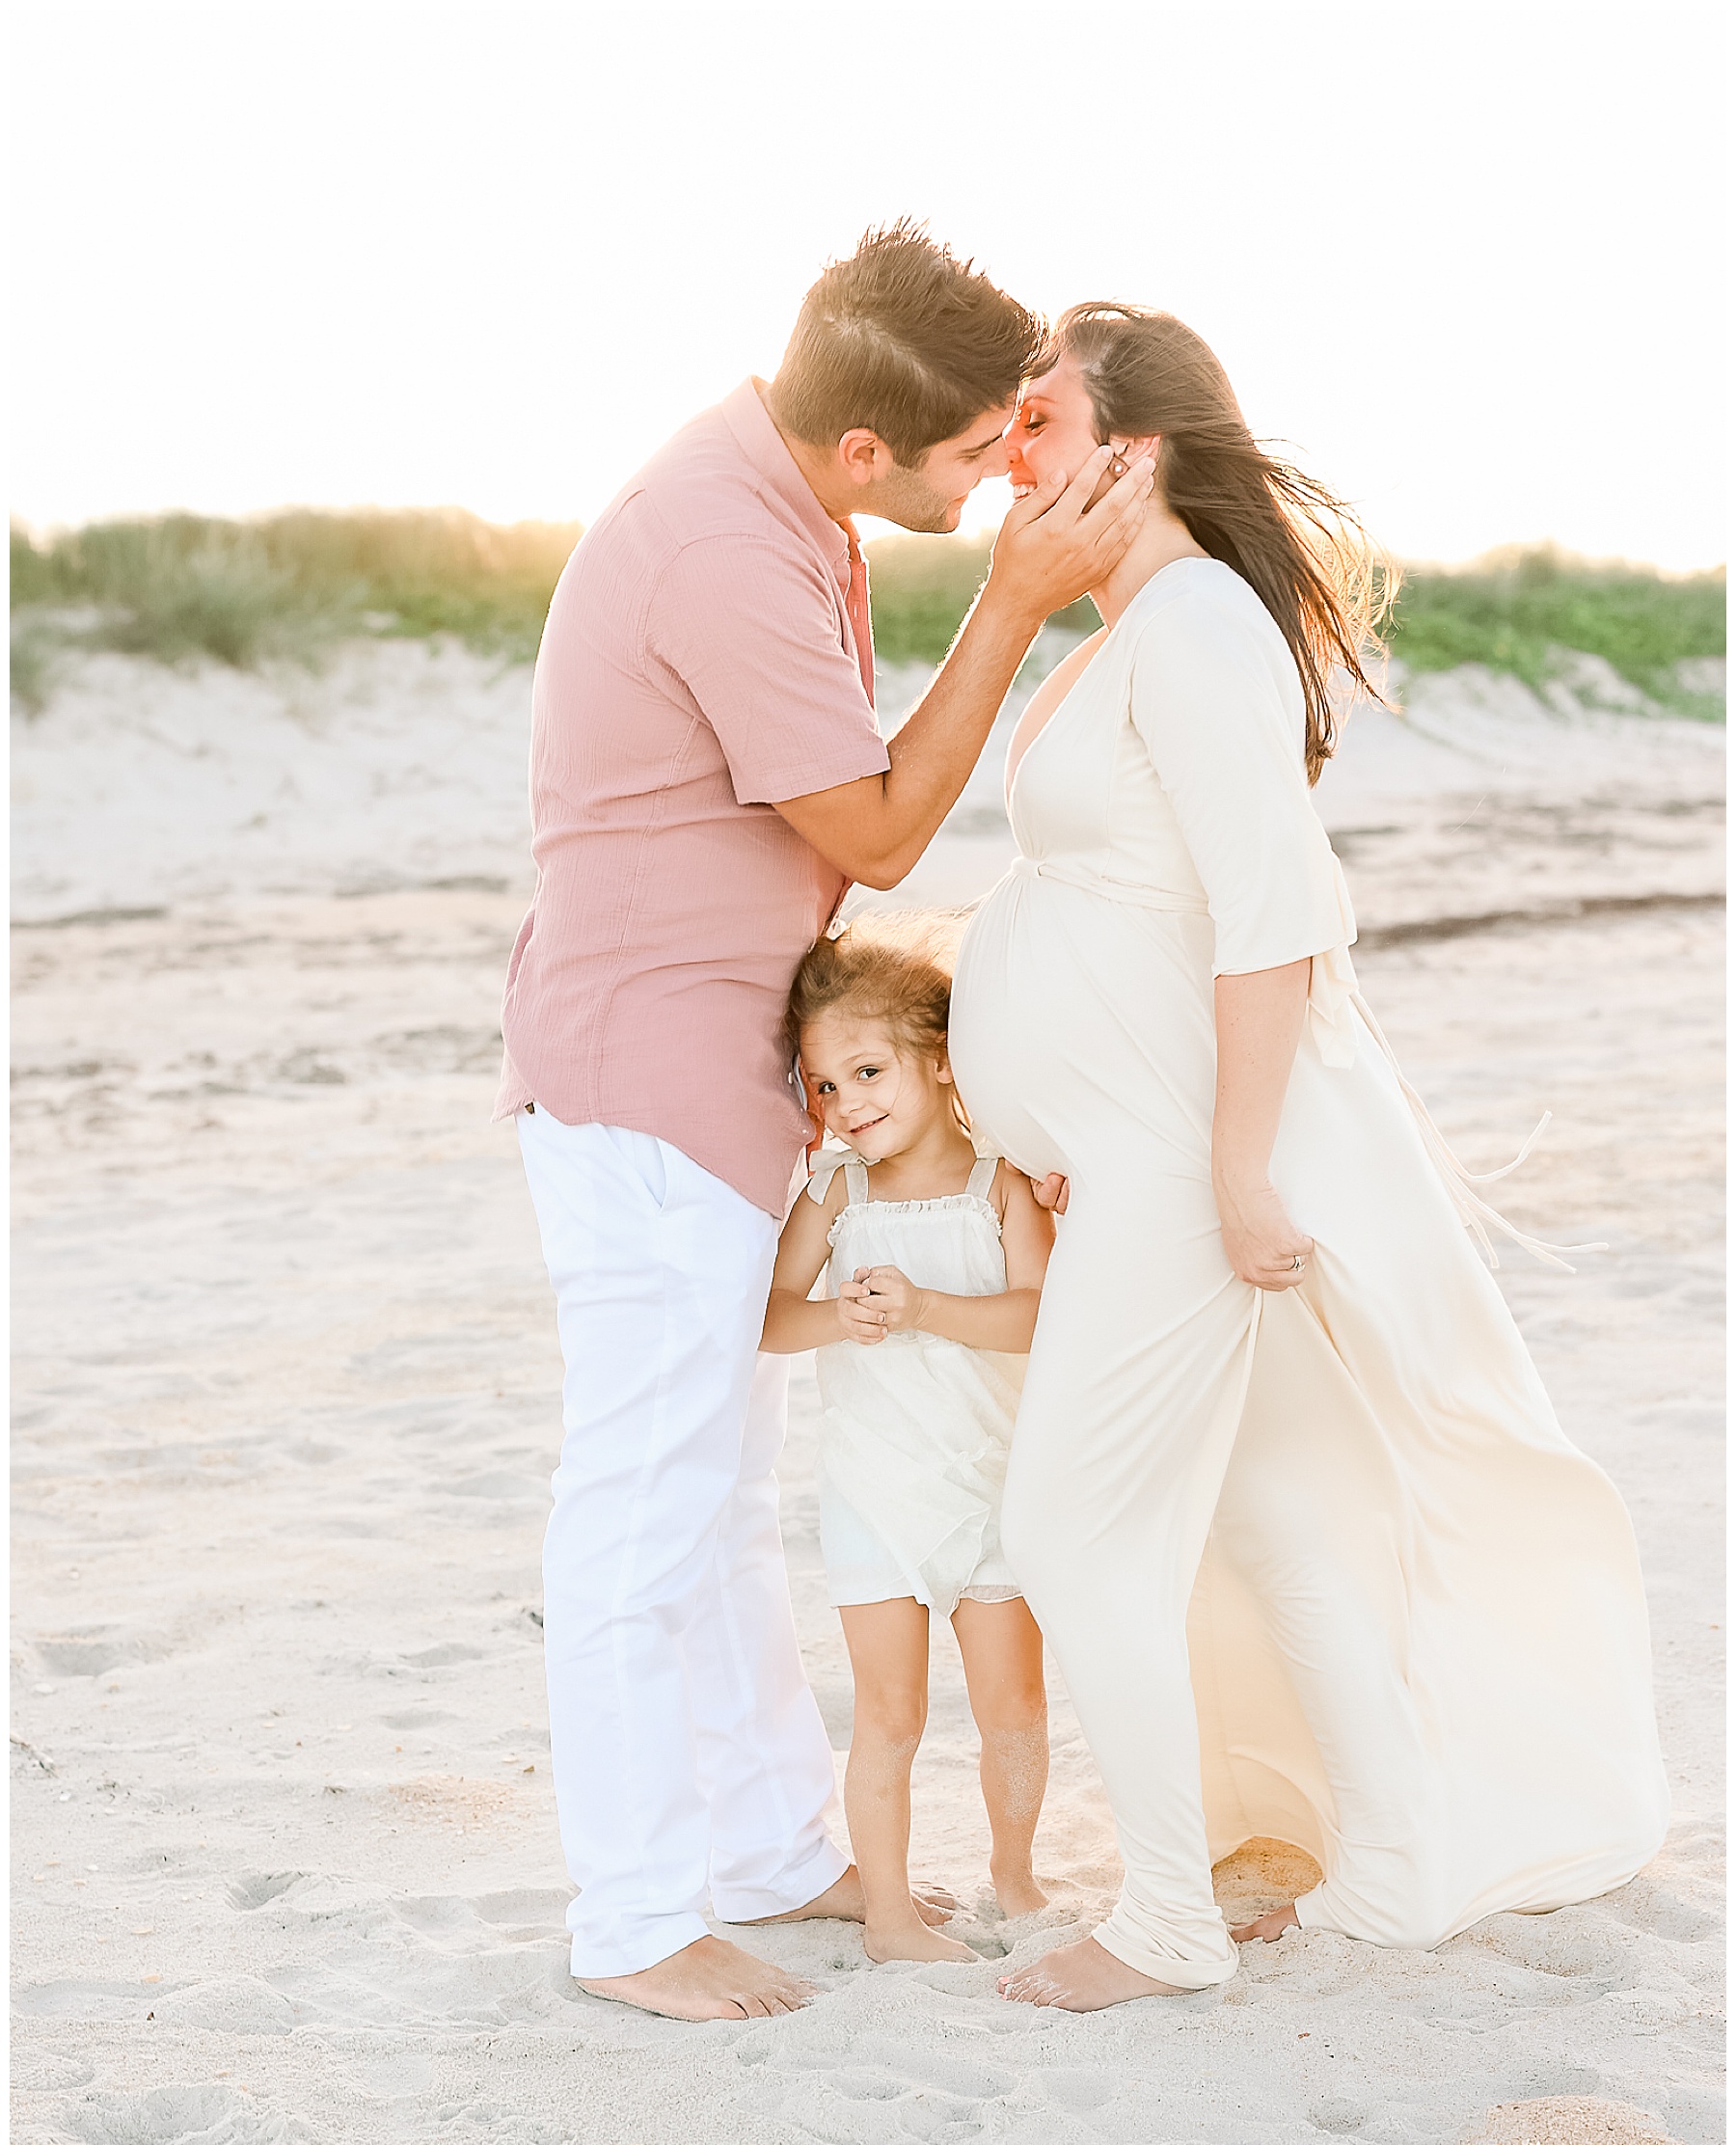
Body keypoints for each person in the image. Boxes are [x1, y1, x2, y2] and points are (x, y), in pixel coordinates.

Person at [946, 303, 1672, 2012]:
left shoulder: (1194, 622)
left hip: (1181, 1168)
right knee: (1275, 1507)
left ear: (1137, 449)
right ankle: (1398, 1867)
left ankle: (1164, 1922)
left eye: (1039, 419)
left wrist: (1238, 1166)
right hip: (1130, 1152)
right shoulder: (1127, 625)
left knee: (1069, 1523)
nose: (1007, 445)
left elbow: (1271, 916)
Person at [499, 230, 1153, 2022]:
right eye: (970, 452)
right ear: (868, 452)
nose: (996, 473)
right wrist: (1015, 603)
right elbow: (871, 838)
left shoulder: (779, 504)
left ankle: (784, 1853)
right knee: (643, 1508)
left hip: (706, 1082)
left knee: (713, 1502)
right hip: (647, 1086)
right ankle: (636, 1920)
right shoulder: (722, 544)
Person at [762, 917, 1055, 1965]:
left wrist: (926, 1304)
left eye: (868, 1069)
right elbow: (765, 1317)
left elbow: (1041, 1318)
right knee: (887, 1714)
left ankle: (1015, 1877)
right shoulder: (835, 1194)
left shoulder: (1000, 1186)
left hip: (993, 1487)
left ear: (938, 1061)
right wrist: (843, 1316)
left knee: (1013, 1704)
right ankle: (887, 1912)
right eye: (824, 1085)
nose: (846, 1104)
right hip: (875, 1494)